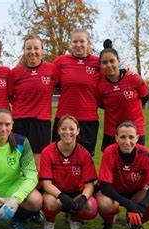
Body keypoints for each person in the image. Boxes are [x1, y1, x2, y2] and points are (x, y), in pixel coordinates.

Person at [96, 121, 149, 229]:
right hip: (113, 192)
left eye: (131, 137)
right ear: (116, 138)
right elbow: (105, 187)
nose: (127, 142)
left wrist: (141, 206)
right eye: (123, 137)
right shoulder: (109, 152)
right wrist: (128, 204)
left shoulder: (146, 154)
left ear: (137, 138)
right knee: (105, 203)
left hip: (135, 193)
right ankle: (108, 223)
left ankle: (135, 224)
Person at [39, 115, 98, 229]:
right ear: (58, 130)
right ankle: (49, 222)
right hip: (55, 193)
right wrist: (61, 196)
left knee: (91, 207)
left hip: (76, 192)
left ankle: (74, 220)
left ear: (78, 131)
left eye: (71, 129)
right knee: (50, 203)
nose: (67, 132)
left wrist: (83, 197)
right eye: (63, 128)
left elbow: (89, 185)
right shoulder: (47, 151)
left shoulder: (84, 153)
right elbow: (46, 184)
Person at [9, 34, 59, 170]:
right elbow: (10, 97)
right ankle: (18, 190)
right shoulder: (15, 72)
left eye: (36, 48)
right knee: (19, 159)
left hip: (41, 123)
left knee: (38, 162)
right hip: (19, 122)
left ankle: (36, 189)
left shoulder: (52, 70)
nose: (32, 52)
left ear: (42, 50)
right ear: (24, 51)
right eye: (28, 48)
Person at [53, 28, 100, 156]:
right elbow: (44, 75)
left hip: (88, 121)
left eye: (82, 41)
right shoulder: (61, 61)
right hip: (63, 119)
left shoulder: (98, 63)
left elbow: (114, 73)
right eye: (75, 41)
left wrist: (129, 69)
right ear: (70, 43)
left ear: (88, 43)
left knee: (85, 161)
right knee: (58, 159)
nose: (78, 45)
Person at [97, 39, 149, 151]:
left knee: (136, 163)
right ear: (100, 65)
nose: (109, 65)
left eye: (112, 61)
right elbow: (102, 104)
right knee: (111, 164)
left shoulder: (133, 77)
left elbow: (145, 97)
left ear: (118, 61)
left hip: (135, 130)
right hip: (111, 132)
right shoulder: (100, 85)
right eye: (104, 63)